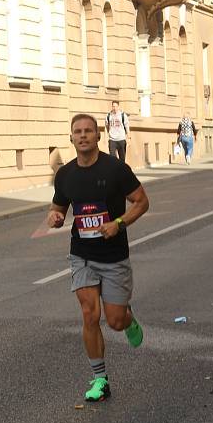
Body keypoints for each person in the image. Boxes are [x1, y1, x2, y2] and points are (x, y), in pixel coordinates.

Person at [48, 114, 149, 402]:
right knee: (90, 314)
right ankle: (100, 379)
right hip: (82, 255)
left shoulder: (117, 169)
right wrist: (55, 217)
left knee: (114, 320)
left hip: (114, 256)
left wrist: (119, 223)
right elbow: (57, 208)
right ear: (71, 138)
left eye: (88, 131)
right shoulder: (65, 174)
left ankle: (127, 320)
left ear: (98, 136)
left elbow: (142, 202)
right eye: (77, 132)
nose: (83, 136)